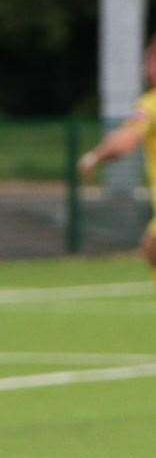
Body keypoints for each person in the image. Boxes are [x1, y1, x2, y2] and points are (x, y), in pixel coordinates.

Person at [79, 35, 156, 277]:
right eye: (150, 59)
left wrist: (95, 157)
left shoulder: (151, 104)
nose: (150, 66)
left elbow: (126, 141)